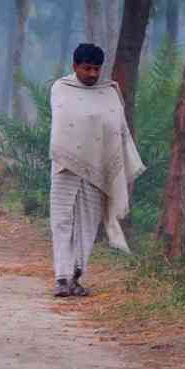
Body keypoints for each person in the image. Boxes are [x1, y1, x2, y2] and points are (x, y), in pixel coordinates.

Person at [48, 43, 145, 297]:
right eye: (87, 68)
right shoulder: (61, 88)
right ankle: (61, 278)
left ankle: (76, 276)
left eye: (96, 69)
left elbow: (117, 127)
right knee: (61, 221)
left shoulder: (109, 92)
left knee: (88, 224)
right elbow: (64, 124)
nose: (92, 74)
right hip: (65, 168)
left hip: (98, 166)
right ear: (75, 67)